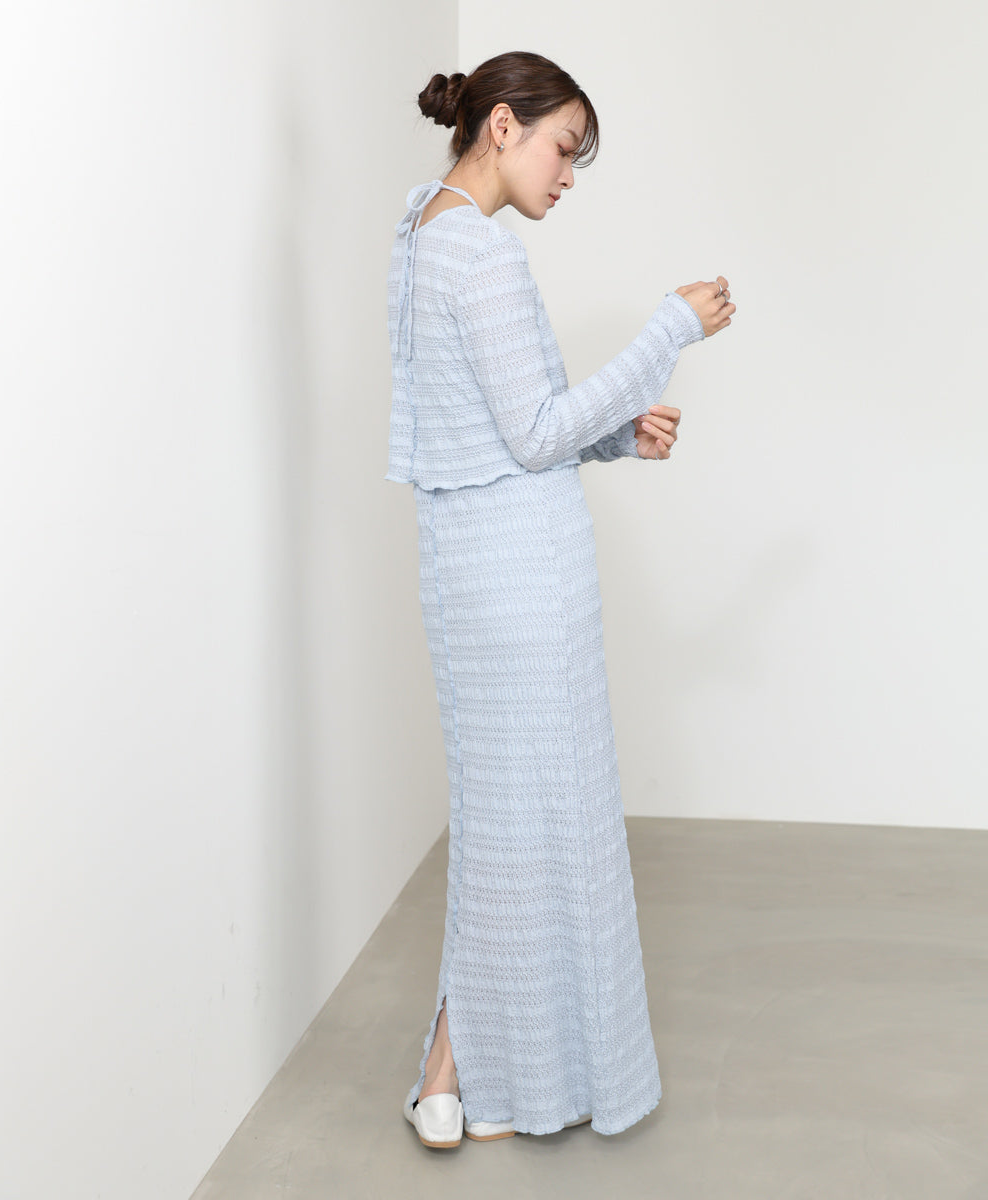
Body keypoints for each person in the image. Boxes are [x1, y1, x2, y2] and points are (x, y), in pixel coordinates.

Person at [387, 50, 735, 1149]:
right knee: (527, 828)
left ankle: (461, 1070)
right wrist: (668, 329)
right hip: (519, 575)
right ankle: (460, 1071)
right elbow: (533, 434)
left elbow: (504, 426)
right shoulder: (479, 250)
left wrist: (617, 437)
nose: (568, 175)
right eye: (561, 148)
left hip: (477, 562)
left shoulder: (422, 229)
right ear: (501, 126)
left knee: (515, 824)